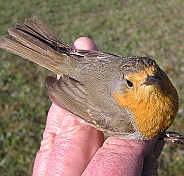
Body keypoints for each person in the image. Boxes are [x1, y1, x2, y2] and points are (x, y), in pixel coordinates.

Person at [32, 37, 165, 176]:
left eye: (156, 74)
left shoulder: (161, 87)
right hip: (80, 87)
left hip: (88, 65)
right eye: (131, 84)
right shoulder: (125, 117)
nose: (153, 81)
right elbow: (81, 104)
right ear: (124, 85)